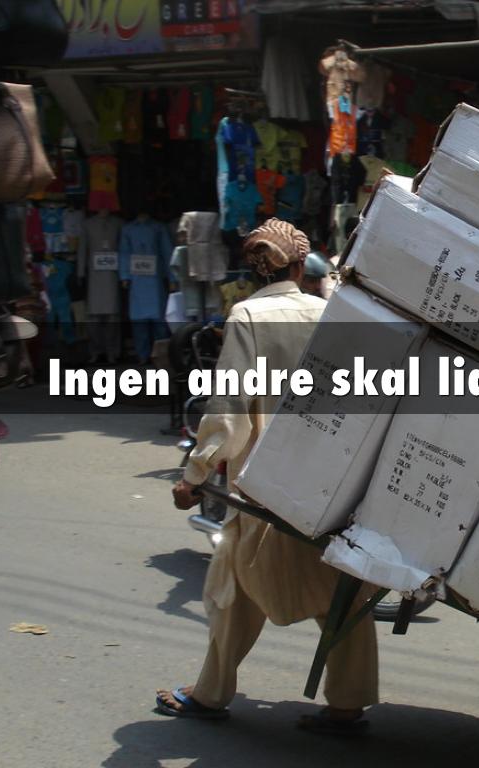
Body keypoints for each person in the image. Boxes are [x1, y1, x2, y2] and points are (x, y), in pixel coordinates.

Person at [158, 218, 378, 732]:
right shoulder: (330, 312)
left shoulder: (249, 315)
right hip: (328, 481)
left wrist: (195, 473)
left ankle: (211, 694)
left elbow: (231, 408)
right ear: (301, 266)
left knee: (231, 585)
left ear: (257, 270)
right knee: (339, 590)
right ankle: (347, 703)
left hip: (263, 482)